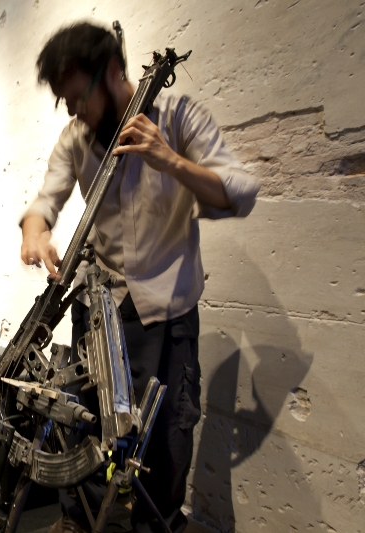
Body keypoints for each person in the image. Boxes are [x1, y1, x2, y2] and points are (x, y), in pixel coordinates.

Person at [21, 23, 260, 533]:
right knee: (82, 427)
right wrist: (35, 231)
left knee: (167, 441)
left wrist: (170, 160)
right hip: (99, 305)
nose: (75, 112)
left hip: (167, 311)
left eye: (79, 98)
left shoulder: (179, 117)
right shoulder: (77, 138)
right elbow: (46, 201)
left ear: (113, 74)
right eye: (66, 104)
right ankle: (79, 523)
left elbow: (240, 191)